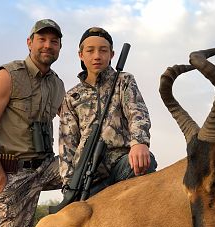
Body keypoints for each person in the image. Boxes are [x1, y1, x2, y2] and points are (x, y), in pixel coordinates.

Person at [0, 19, 65, 227]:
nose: (48, 45)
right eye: (42, 39)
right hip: (13, 173)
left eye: (53, 41)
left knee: (96, 169)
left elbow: (75, 123)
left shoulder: (58, 84)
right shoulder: (7, 75)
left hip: (46, 167)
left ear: (59, 47)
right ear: (29, 42)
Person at [59, 26, 157, 198]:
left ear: (111, 54)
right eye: (90, 50)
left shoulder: (123, 80)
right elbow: (67, 143)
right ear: (81, 55)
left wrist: (140, 143)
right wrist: (69, 185)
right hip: (89, 174)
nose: (97, 55)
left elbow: (137, 113)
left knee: (146, 161)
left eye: (103, 50)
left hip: (121, 163)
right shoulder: (71, 97)